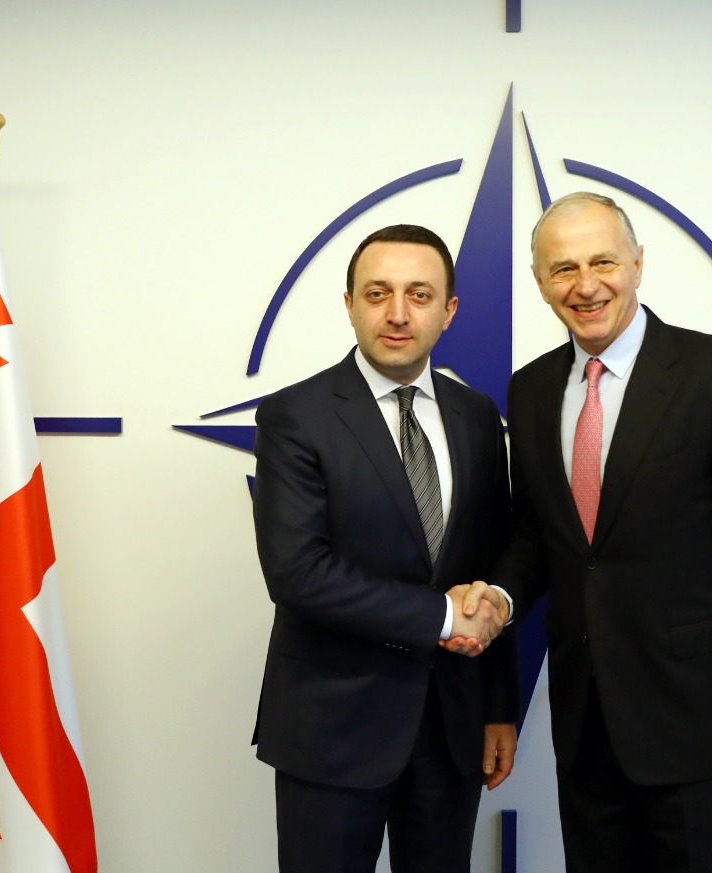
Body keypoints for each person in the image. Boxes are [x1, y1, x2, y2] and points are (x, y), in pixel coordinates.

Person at [459, 192, 712, 872]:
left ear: (637, 263)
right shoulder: (531, 389)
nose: (586, 285)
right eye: (563, 268)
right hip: (586, 722)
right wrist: (500, 597)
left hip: (704, 721)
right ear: (539, 282)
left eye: (602, 261)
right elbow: (540, 533)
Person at [252, 224, 518, 873]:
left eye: (419, 294)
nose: (398, 313)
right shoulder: (296, 415)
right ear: (350, 304)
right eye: (378, 293)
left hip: (451, 730)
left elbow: (490, 561)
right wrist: (445, 617)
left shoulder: (477, 415)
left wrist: (498, 709)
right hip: (332, 731)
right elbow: (298, 574)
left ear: (448, 310)